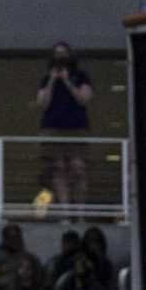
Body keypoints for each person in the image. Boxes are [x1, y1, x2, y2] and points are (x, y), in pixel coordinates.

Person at [37, 42, 94, 209]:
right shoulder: (47, 78)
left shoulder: (81, 76)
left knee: (78, 168)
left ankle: (81, 210)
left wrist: (68, 81)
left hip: (77, 128)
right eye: (57, 54)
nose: (60, 58)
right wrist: (52, 81)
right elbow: (42, 103)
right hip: (53, 128)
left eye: (63, 54)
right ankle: (65, 211)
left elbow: (84, 99)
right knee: (58, 169)